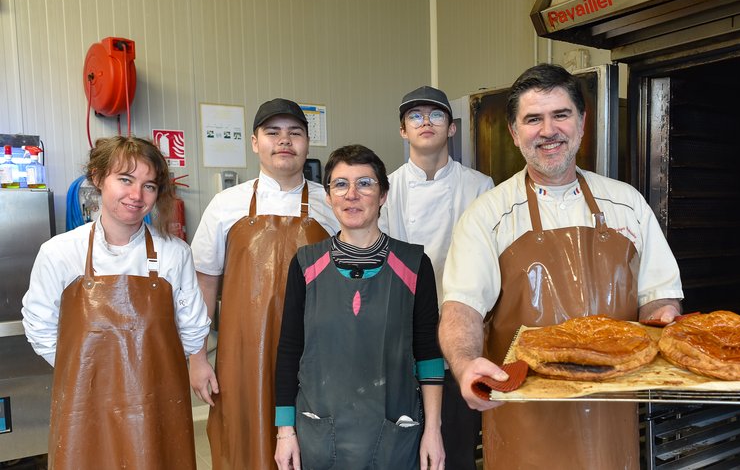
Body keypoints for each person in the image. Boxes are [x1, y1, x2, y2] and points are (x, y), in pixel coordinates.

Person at [438, 64, 684, 470]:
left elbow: (658, 295)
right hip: (525, 421)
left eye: (561, 115)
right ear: (515, 134)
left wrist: (665, 318)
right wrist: (464, 365)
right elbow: (461, 308)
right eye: (533, 119)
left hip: (612, 413)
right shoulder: (488, 216)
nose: (548, 130)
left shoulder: (628, 204)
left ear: (582, 123)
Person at [21, 136, 210, 470]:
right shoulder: (60, 253)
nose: (136, 196)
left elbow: (193, 326)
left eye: (149, 185)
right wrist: (88, 373)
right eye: (125, 179)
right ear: (97, 177)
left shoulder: (174, 253)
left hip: (157, 401)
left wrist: (166, 369)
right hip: (85, 402)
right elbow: (39, 324)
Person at [189, 98, 339, 469]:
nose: (284, 141)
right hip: (242, 355)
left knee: (316, 443)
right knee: (244, 444)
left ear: (307, 143)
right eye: (272, 133)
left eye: (295, 133)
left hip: (316, 354)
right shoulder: (226, 205)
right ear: (255, 142)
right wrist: (196, 358)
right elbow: (204, 285)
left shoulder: (332, 203)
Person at [274, 144, 445, 470]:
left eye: (365, 183)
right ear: (329, 196)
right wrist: (285, 431)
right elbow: (289, 352)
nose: (351, 194)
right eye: (340, 184)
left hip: (395, 432)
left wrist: (433, 430)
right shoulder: (306, 265)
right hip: (321, 433)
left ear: (382, 195)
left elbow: (428, 354)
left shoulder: (413, 265)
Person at [379, 85, 493, 469]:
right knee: (403, 448)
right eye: (415, 116)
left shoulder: (480, 187)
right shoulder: (385, 190)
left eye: (436, 115)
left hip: (461, 339)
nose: (425, 123)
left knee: (457, 447)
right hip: (401, 340)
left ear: (452, 128)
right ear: (402, 131)